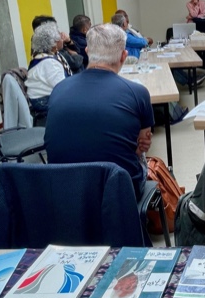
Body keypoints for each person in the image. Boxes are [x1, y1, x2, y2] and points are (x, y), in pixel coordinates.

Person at [44, 23, 154, 199]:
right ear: (124, 56)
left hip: (64, 192)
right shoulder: (138, 92)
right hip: (119, 193)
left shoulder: (59, 89)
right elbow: (141, 146)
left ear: (87, 52)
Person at [25, 22, 71, 116]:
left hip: (44, 99)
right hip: (45, 102)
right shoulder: (49, 63)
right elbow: (63, 88)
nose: (62, 38)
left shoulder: (44, 57)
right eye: (59, 36)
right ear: (54, 43)